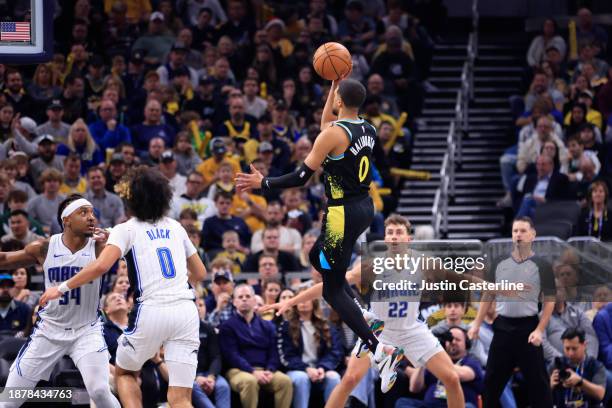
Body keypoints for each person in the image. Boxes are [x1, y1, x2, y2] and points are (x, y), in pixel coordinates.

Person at [236, 77, 404, 392]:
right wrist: (334, 86)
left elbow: (301, 176)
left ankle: (381, 349)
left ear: (340, 100)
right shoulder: (364, 127)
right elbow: (328, 123)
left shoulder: (332, 134)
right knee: (317, 257)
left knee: (331, 289)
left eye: (334, 96)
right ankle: (366, 314)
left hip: (341, 214)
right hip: (363, 206)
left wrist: (264, 183)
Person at [39, 167, 207, 407]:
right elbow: (200, 273)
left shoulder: (125, 229)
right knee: (180, 398)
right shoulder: (176, 226)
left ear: (131, 199)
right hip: (186, 312)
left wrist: (62, 287)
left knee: (125, 373)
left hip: (152, 311)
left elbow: (100, 267)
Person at [261, 214, 466, 407]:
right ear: (385, 238)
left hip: (411, 330)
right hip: (377, 331)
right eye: (390, 233)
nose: (394, 237)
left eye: (398, 232)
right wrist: (292, 301)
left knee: (452, 378)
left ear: (408, 238)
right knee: (349, 380)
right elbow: (332, 285)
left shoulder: (423, 263)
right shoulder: (373, 265)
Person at [0, 195, 120, 408]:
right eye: (83, 213)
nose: (91, 218)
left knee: (100, 391)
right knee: (9, 401)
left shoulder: (101, 246)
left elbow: (127, 239)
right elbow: (6, 260)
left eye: (92, 213)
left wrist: (112, 236)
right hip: (48, 331)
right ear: (66, 220)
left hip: (86, 330)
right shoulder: (44, 248)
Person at [469, 216, 556, 408]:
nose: (518, 235)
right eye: (515, 231)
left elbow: (550, 300)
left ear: (532, 235)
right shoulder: (500, 262)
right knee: (491, 384)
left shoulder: (542, 266)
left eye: (523, 231)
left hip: (528, 328)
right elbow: (488, 295)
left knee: (539, 385)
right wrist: (476, 322)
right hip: (503, 328)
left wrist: (540, 330)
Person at [219, 284, 293, 408]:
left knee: (285, 381)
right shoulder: (227, 326)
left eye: (248, 296)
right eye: (240, 297)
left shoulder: (267, 326)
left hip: (265, 370)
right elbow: (232, 355)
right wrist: (252, 371)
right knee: (250, 381)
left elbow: (274, 352)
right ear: (234, 302)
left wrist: (270, 370)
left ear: (254, 301)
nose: (244, 299)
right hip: (238, 371)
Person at [278, 289, 344, 408]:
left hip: (320, 369)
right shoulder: (286, 326)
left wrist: (322, 368)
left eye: (306, 299)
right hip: (298, 370)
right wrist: (307, 369)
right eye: (300, 299)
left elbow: (335, 352)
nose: (303, 302)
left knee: (334, 377)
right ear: (295, 303)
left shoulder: (326, 325)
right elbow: (286, 356)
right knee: (302, 378)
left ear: (314, 302)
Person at [398, 327, 484, 408]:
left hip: (460, 405)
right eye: (449, 339)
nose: (453, 342)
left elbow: (460, 374)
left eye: (457, 340)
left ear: (466, 344)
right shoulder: (434, 361)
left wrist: (437, 360)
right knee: (402, 402)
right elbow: (414, 388)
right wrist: (424, 358)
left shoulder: (472, 362)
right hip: (430, 405)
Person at [549, 328, 606, 407]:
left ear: (584, 345)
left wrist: (580, 382)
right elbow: (539, 395)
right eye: (567, 348)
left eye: (574, 349)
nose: (570, 353)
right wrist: (550, 385)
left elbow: (600, 394)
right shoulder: (557, 364)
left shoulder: (595, 365)